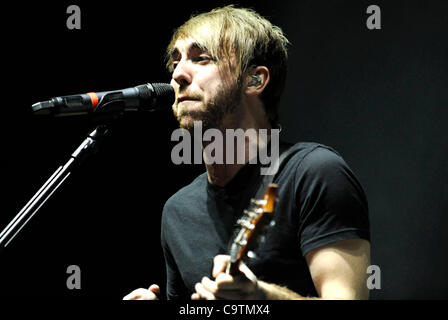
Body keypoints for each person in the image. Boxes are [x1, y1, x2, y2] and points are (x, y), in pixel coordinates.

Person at [123, 5, 370, 300]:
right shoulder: (178, 211)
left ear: (255, 80)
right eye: (175, 62)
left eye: (201, 59)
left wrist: (262, 297)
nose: (178, 75)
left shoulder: (315, 173)